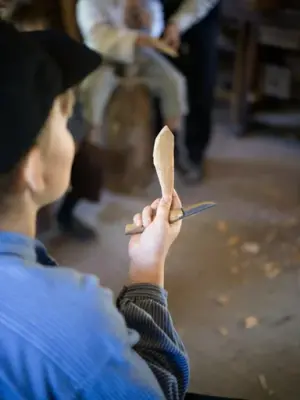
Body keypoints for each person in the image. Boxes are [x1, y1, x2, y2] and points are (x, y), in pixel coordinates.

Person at [0, 19, 189, 399]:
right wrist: (147, 273)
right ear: (34, 170)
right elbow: (157, 391)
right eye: (64, 120)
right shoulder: (72, 321)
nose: (72, 137)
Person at [8, 1, 103, 240]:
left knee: (88, 173)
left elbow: (78, 111)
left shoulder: (55, 76)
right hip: (35, 159)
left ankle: (66, 216)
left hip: (64, 142)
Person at [76, 0, 187, 141]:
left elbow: (155, 30)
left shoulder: (146, 2)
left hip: (142, 55)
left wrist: (147, 22)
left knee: (174, 82)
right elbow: (97, 38)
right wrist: (134, 38)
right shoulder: (90, 3)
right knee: (93, 88)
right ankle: (91, 143)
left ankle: (172, 145)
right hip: (103, 56)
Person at [159, 0, 221, 184]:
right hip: (157, 7)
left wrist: (176, 24)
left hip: (200, 10)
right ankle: (162, 151)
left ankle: (195, 153)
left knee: (201, 81)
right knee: (160, 75)